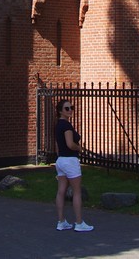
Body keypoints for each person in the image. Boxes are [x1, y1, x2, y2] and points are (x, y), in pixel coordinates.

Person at [54, 99, 93, 232]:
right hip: (70, 160)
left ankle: (61, 221)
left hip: (61, 160)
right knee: (77, 192)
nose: (70, 110)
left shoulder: (58, 125)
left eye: (71, 107)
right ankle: (79, 222)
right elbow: (70, 144)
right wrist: (79, 148)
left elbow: (58, 145)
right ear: (60, 111)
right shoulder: (66, 126)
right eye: (67, 108)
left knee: (61, 191)